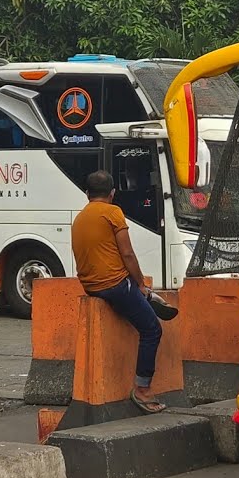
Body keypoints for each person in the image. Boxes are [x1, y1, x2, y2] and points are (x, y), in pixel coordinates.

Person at [70, 170, 177, 414]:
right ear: (112, 193)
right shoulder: (113, 212)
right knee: (152, 330)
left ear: (87, 194)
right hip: (114, 285)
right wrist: (139, 283)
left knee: (135, 297)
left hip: (91, 286)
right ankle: (142, 389)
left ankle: (147, 297)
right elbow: (127, 253)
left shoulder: (80, 217)